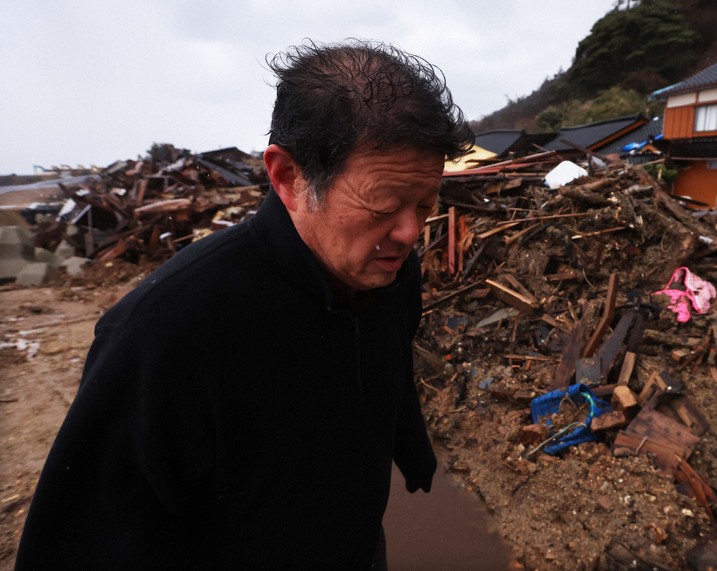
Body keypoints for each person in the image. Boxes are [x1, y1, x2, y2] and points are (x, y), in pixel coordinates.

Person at [16, 40, 473, 569]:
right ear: (289, 177)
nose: (410, 232)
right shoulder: (167, 329)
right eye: (385, 204)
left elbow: (386, 372)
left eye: (426, 204)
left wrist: (412, 453)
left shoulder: (392, 275)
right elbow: (81, 538)